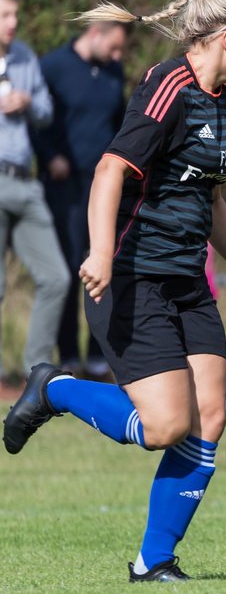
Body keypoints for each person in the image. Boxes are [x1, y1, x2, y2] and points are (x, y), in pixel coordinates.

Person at [2, 0, 226, 583]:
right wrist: (103, 253)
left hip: (188, 280)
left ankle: (154, 562)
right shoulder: (169, 85)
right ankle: (56, 387)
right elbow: (110, 170)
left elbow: (209, 197)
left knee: (210, 420)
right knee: (165, 427)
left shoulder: (221, 101)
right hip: (133, 277)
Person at [32, 19, 131, 378]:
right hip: (64, 186)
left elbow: (121, 125)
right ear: (95, 33)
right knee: (69, 268)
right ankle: (69, 355)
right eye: (114, 47)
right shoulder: (52, 67)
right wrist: (49, 157)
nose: (118, 55)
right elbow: (36, 123)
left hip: (103, 186)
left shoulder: (112, 72)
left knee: (105, 265)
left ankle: (99, 355)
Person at [0, 0, 70, 394]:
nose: (14, 23)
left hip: (25, 182)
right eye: (6, 16)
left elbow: (46, 112)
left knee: (57, 277)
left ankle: (36, 375)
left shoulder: (25, 56)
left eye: (15, 16)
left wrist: (28, 102)